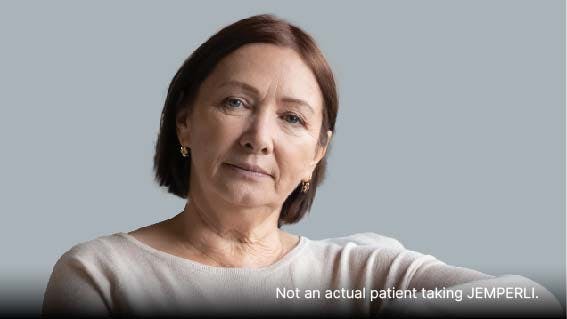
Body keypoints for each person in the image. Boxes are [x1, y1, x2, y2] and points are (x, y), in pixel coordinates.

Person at [42, 14, 562, 318]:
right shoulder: (99, 274)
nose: (259, 139)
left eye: (292, 118)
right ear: (184, 123)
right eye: (235, 104)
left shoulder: (362, 269)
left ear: (316, 153)